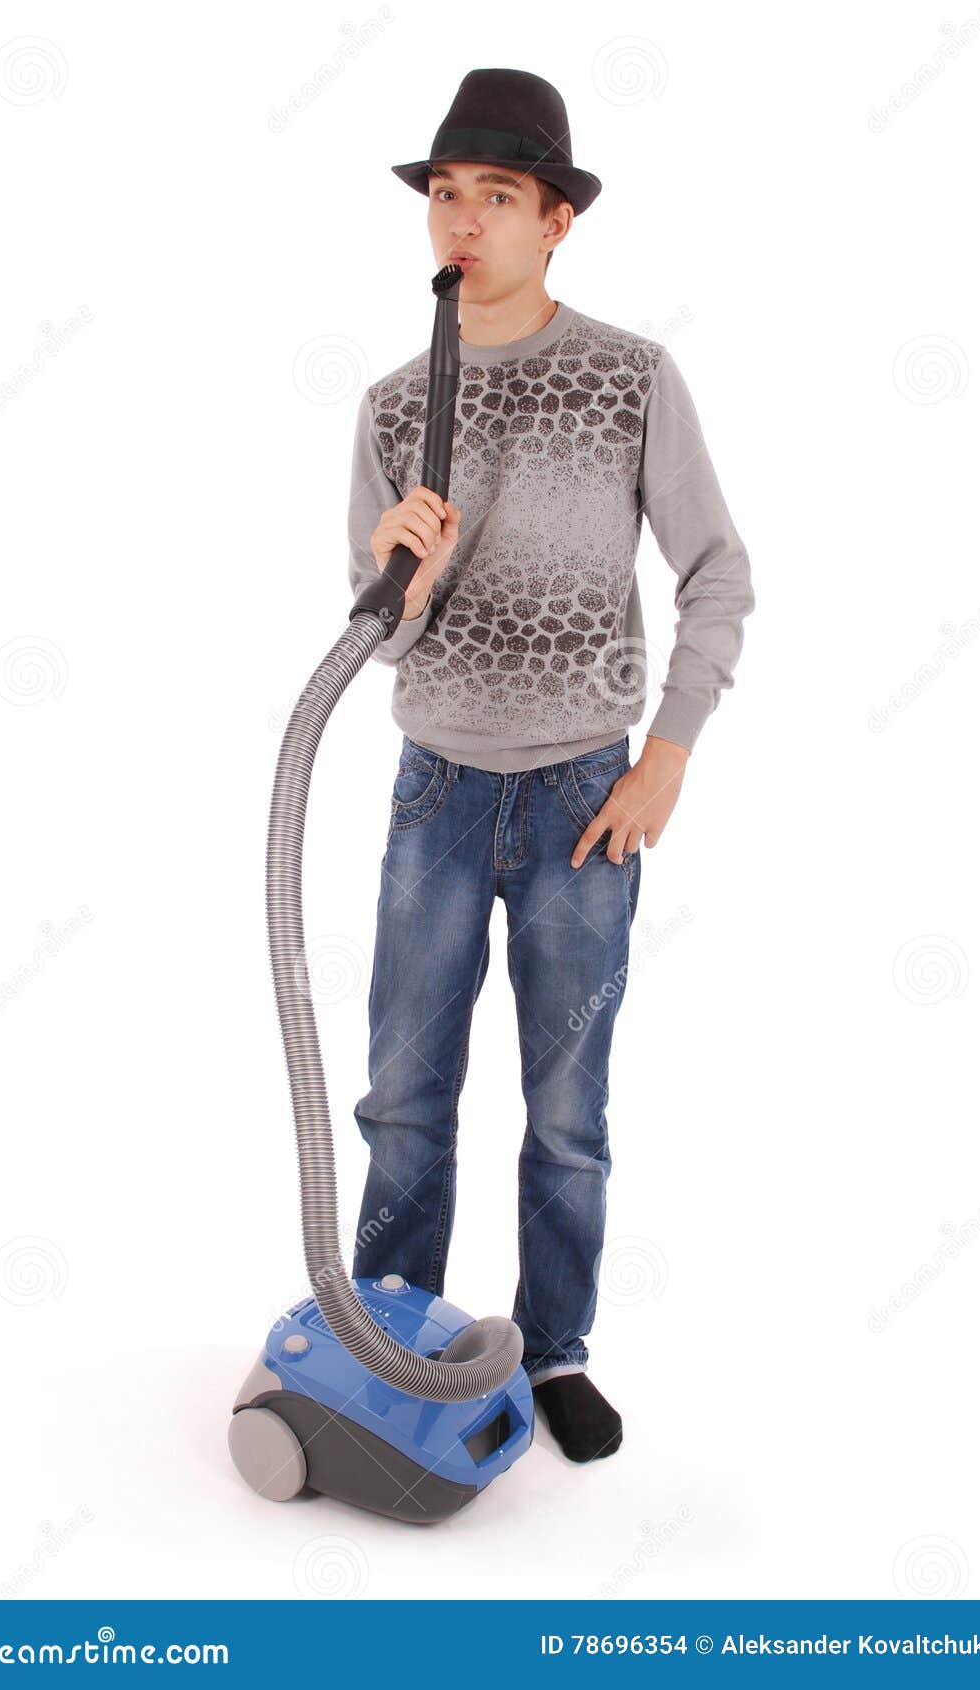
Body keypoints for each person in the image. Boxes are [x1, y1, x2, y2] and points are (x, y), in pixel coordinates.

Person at [346, 69, 754, 1463]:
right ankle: (390, 1331)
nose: (462, 222)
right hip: (437, 795)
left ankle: (558, 1347)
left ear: (557, 220)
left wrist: (670, 754)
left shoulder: (629, 374)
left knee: (566, 1107)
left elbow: (719, 573)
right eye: (445, 197)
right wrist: (409, 574)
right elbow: (383, 647)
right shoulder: (397, 407)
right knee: (404, 1089)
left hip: (588, 796)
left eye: (498, 198)